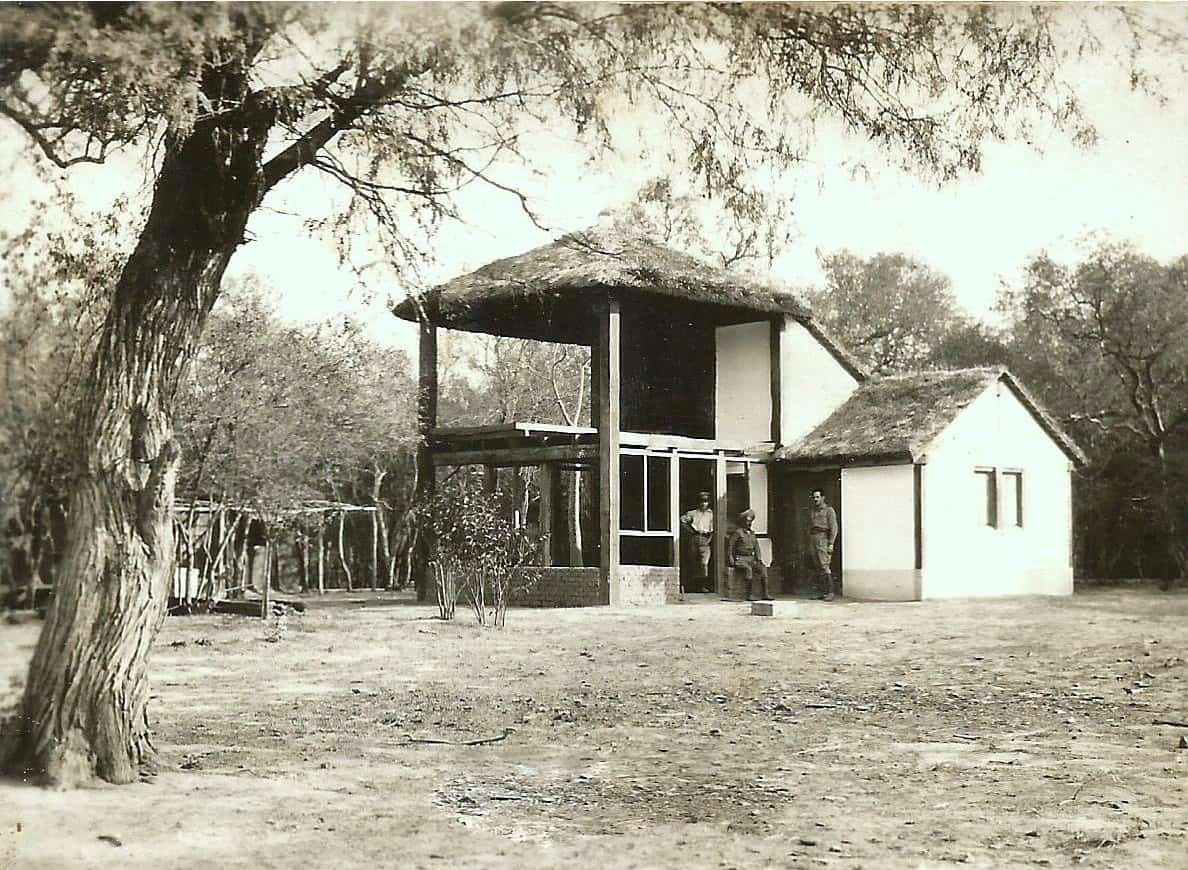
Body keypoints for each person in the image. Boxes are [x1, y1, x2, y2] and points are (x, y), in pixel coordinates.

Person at [728, 508, 769, 601]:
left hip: (751, 558)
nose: (749, 523)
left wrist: (759, 559)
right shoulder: (738, 533)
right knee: (748, 570)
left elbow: (756, 547)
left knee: (763, 569)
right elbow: (731, 546)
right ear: (742, 522)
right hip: (740, 559)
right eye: (746, 521)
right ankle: (749, 595)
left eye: (750, 521)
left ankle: (765, 594)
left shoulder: (752, 534)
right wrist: (731, 558)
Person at [807, 489, 839, 600]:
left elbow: (834, 528)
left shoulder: (829, 511)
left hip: (823, 538)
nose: (815, 499)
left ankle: (830, 592)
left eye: (817, 497)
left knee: (824, 565)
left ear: (823, 497)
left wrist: (831, 543)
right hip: (813, 538)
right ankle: (822, 592)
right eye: (814, 497)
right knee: (817, 566)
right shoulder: (813, 511)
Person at [680, 491, 714, 592]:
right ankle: (694, 586)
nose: (704, 504)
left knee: (704, 563)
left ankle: (703, 585)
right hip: (694, 539)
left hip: (706, 539)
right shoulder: (693, 513)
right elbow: (682, 521)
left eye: (706, 501)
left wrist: (710, 538)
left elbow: (715, 527)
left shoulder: (712, 514)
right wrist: (691, 531)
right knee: (694, 562)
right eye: (702, 501)